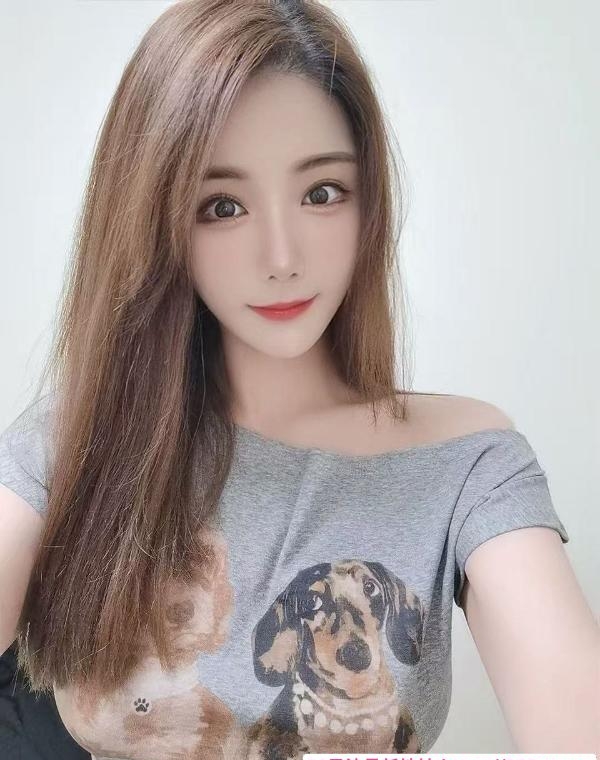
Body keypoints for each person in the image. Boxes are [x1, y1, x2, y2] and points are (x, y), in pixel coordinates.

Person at [0, 0, 598, 758]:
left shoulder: (466, 465)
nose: (281, 257)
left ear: (368, 200)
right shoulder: (82, 436)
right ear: (156, 223)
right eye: (222, 206)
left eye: (321, 193)